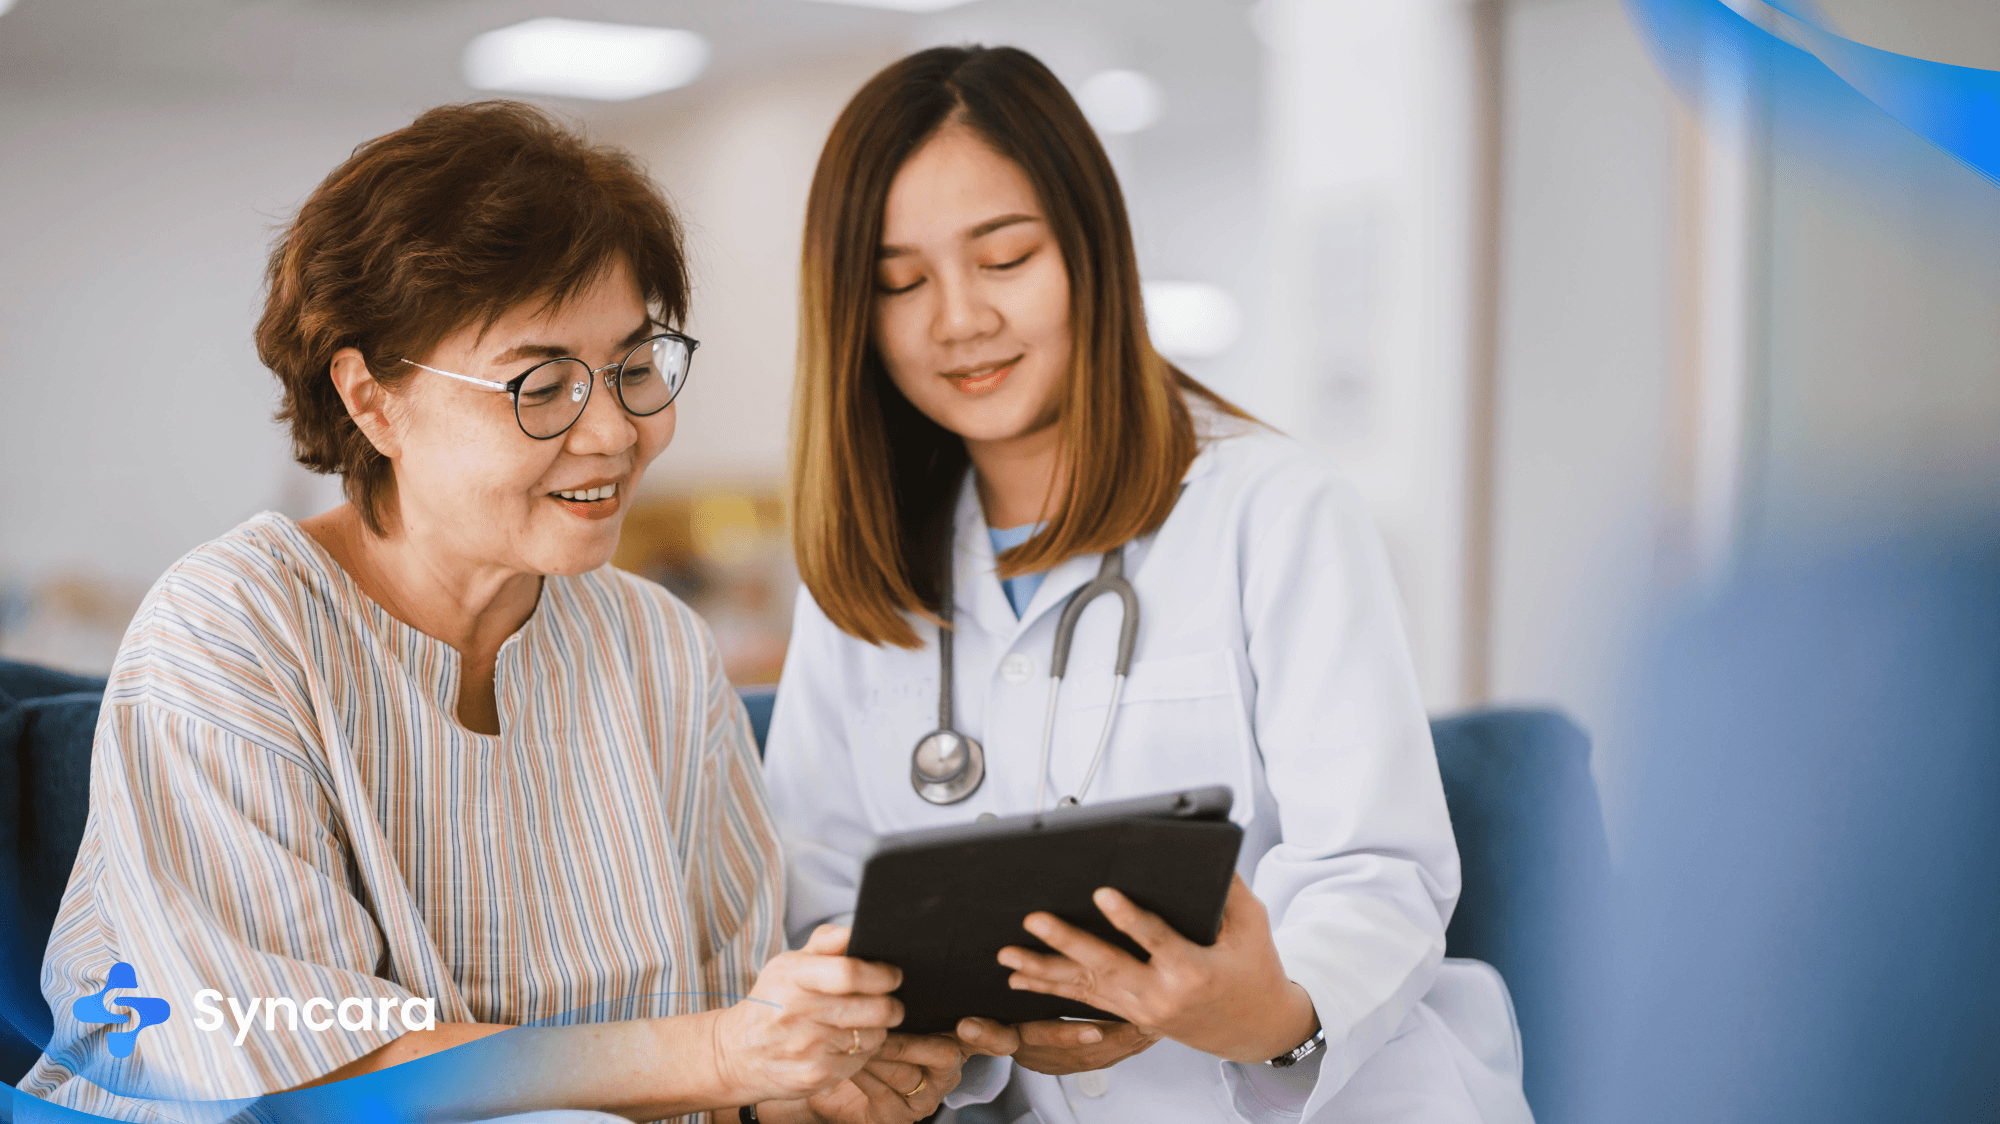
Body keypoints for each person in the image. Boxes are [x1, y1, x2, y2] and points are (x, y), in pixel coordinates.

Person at [20, 102, 961, 1124]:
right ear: (373, 398)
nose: (612, 430)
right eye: (541, 384)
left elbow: (718, 1042)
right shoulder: (231, 627)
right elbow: (297, 1073)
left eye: (635, 367)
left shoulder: (658, 649)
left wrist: (807, 1085)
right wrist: (720, 1058)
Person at [764, 46, 1533, 1124]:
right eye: (899, 282)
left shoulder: (1273, 507)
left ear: (1089, 249)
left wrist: (1261, 1009)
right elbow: (825, 895)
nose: (956, 319)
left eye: (1005, 257)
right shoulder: (863, 570)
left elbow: (1375, 867)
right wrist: (935, 1039)